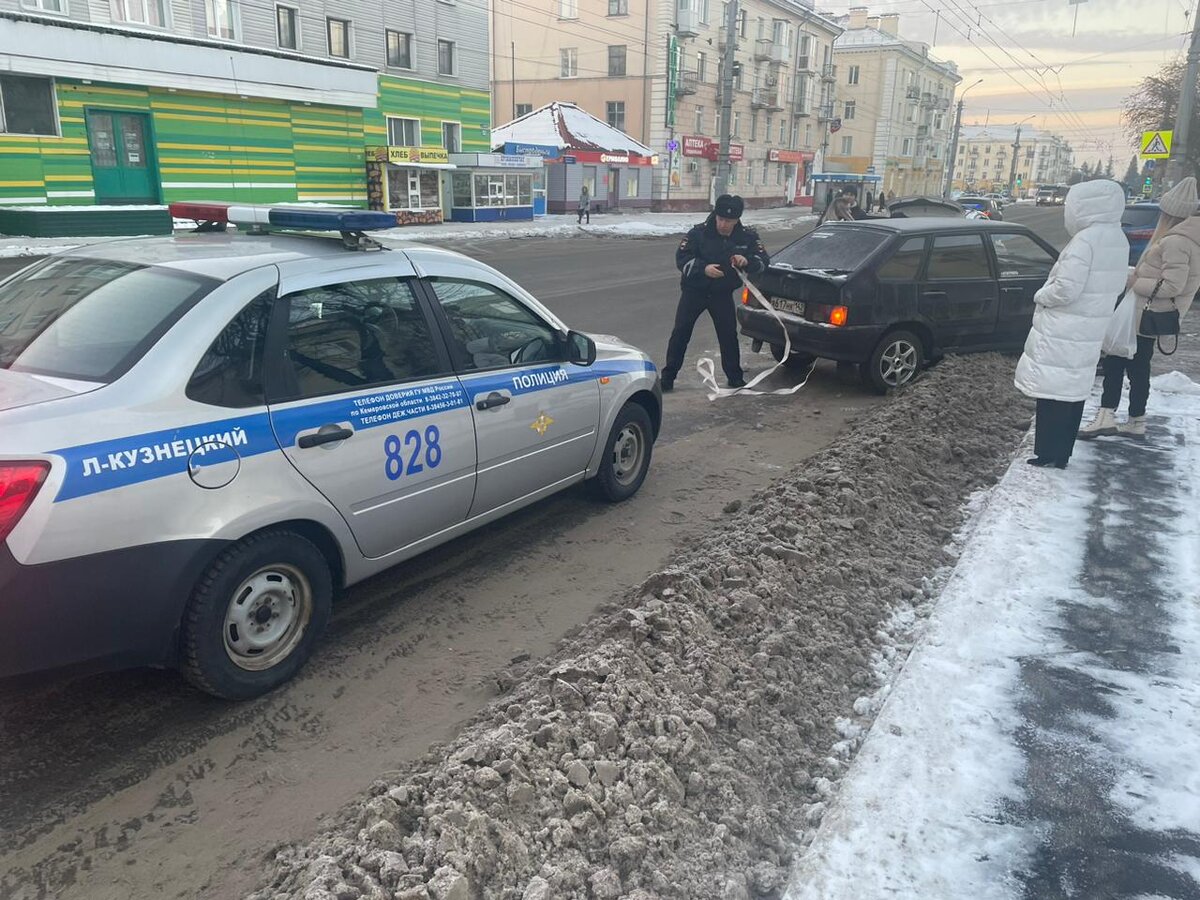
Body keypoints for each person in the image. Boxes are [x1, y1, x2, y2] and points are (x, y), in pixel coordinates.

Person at [1014, 179, 1129, 468]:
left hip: (1064, 330)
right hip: (1090, 329)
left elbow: (1065, 289)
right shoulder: (1118, 238)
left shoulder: (1085, 241)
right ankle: (1062, 454)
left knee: (1052, 394)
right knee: (1073, 393)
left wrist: (1041, 294)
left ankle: (1046, 453)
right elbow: (1116, 286)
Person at [1080, 177, 1200, 439]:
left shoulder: (1175, 241)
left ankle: (1108, 417)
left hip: (1144, 314)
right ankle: (1133, 420)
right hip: (1148, 314)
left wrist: (1135, 281)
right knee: (1135, 367)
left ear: (1170, 213)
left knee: (1116, 362)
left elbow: (1171, 286)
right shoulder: (1187, 239)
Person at [663, 194, 769, 391]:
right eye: (720, 219)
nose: (723, 224)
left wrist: (747, 261)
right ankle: (668, 376)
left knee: (728, 335)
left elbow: (763, 261)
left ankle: (734, 377)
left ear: (737, 220)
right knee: (680, 333)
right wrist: (702, 269)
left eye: (728, 221)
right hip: (694, 291)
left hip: (722, 294)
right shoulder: (698, 233)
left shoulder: (747, 236)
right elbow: (682, 258)